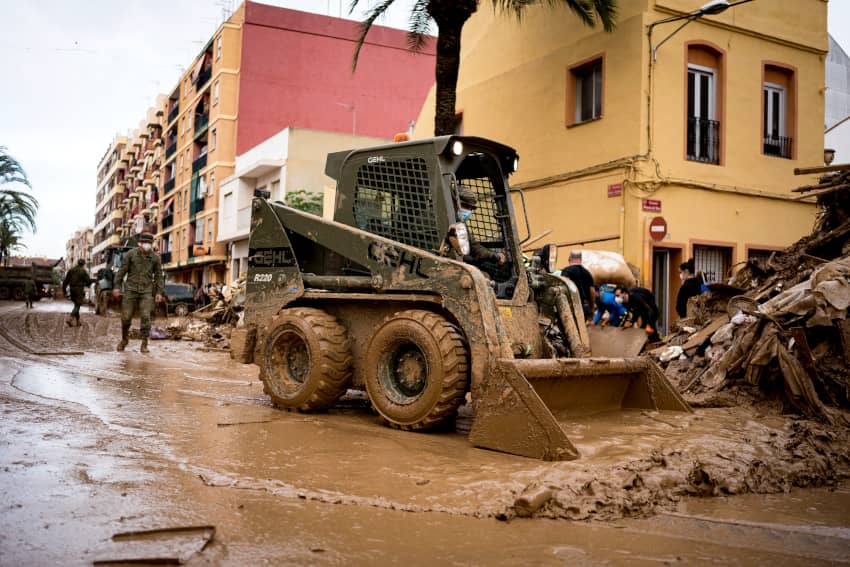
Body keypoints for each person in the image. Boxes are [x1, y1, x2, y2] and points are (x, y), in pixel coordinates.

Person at [112, 232, 164, 353]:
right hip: (130, 290)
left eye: (149, 243)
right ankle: (124, 340)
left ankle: (144, 344)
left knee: (146, 317)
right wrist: (116, 286)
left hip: (146, 291)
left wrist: (159, 292)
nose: (147, 245)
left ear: (152, 244)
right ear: (140, 243)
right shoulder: (131, 254)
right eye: (145, 243)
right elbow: (122, 271)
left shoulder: (155, 258)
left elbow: (158, 277)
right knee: (126, 317)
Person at [561, 251, 596, 321]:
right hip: (584, 308)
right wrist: (591, 309)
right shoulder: (587, 273)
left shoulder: (566, 271)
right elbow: (592, 292)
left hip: (572, 308)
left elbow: (563, 290)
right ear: (581, 260)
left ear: (569, 259)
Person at [62, 259, 92, 326]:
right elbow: (89, 281)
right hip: (79, 289)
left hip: (72, 289)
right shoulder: (83, 271)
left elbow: (65, 281)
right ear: (84, 264)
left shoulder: (71, 270)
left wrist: (64, 291)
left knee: (76, 304)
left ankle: (78, 321)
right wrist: (85, 284)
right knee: (78, 305)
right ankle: (70, 318)